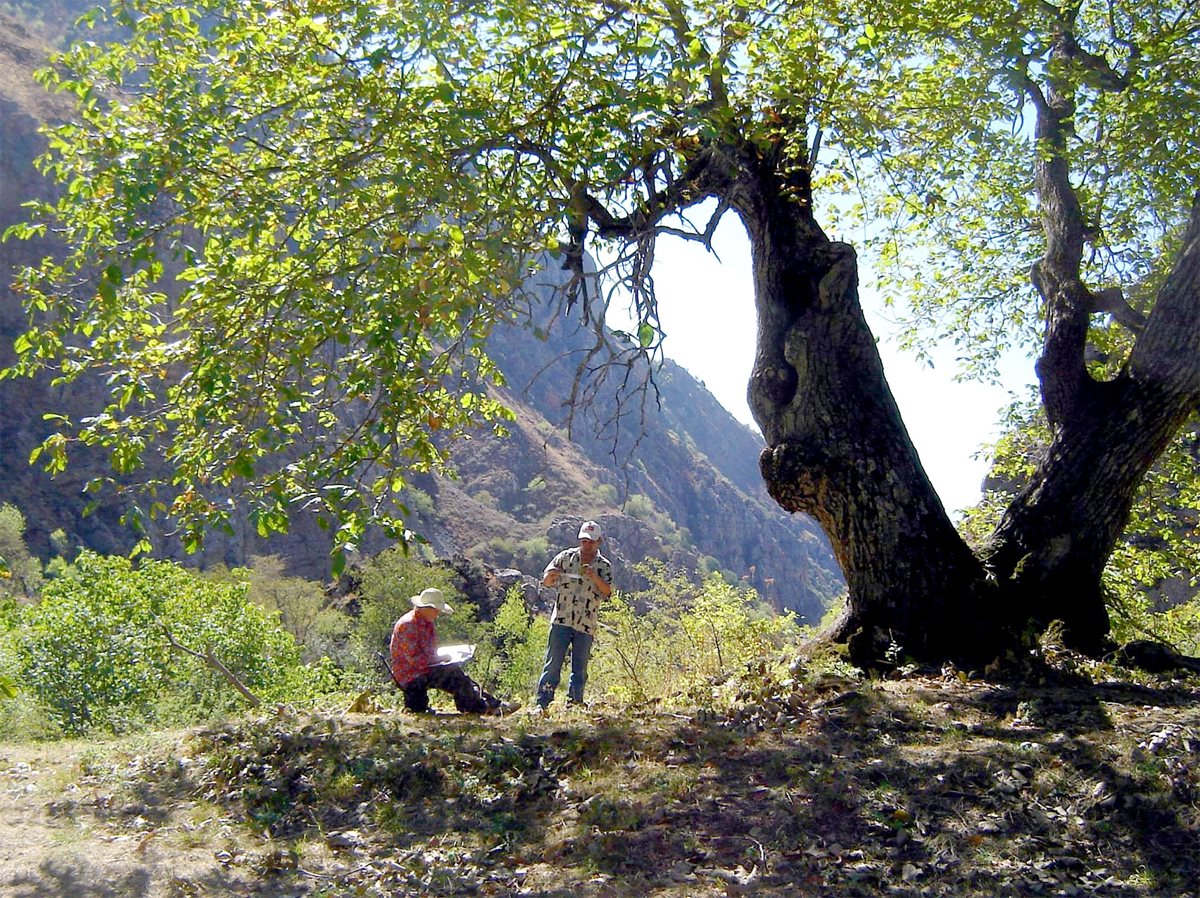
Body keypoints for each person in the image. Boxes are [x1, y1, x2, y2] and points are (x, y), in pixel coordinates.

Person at [389, 587, 510, 715]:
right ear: (427, 609)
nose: (438, 614)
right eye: (436, 610)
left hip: (424, 669)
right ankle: (485, 708)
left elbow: (430, 651)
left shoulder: (427, 623)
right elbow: (415, 660)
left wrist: (443, 659)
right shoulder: (408, 625)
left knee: (457, 674)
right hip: (410, 675)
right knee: (454, 675)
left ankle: (489, 704)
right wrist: (440, 659)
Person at [535, 520, 613, 710]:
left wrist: (594, 577)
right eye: (584, 541)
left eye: (591, 542)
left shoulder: (603, 566)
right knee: (553, 663)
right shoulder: (565, 557)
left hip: (586, 624)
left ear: (599, 542)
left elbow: (608, 592)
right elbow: (546, 581)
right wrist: (551, 576)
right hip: (562, 619)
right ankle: (543, 703)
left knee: (580, 668)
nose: (587, 545)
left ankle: (575, 703)